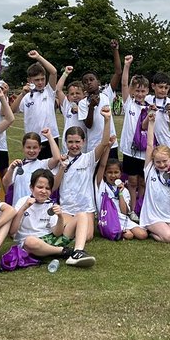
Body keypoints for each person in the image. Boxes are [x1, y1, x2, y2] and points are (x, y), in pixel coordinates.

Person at [51, 108, 115, 266]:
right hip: (66, 208)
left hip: (85, 208)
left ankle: (71, 247)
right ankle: (69, 250)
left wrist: (107, 120)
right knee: (63, 230)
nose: (74, 145)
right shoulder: (61, 161)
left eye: (77, 142)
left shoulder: (88, 159)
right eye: (70, 142)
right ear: (66, 143)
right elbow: (54, 187)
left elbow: (104, 143)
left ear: (83, 142)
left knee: (87, 236)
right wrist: (61, 168)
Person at [140, 109, 170, 242]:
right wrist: (151, 123)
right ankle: (150, 231)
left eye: (164, 161)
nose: (161, 164)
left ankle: (163, 229)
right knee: (169, 237)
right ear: (153, 162)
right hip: (152, 216)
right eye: (157, 162)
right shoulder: (150, 170)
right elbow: (149, 146)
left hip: (169, 215)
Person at [117, 57, 151, 214]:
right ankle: (131, 208)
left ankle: (141, 206)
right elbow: (124, 83)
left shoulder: (149, 108)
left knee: (143, 181)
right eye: (137, 90)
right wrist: (126, 65)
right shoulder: (128, 103)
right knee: (132, 180)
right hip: (130, 150)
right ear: (132, 91)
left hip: (144, 151)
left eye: (143, 91)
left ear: (147, 91)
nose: (140, 94)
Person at [4, 129, 61, 208]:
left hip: (36, 208)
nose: (31, 150)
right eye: (28, 147)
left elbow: (57, 158)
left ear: (40, 148)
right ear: (23, 148)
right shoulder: (16, 166)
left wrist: (49, 137)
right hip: (18, 206)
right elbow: (6, 184)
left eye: (35, 147)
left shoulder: (42, 164)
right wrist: (11, 169)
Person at [11, 50, 60, 140]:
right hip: (32, 139)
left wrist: (38, 57)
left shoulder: (49, 91)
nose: (40, 82)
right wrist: (22, 94)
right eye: (37, 80)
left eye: (43, 79)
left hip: (51, 137)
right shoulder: (26, 96)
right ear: (29, 80)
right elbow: (12, 110)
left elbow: (54, 72)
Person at [97, 159, 149, 240]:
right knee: (129, 235)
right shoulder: (101, 187)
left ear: (121, 174)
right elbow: (101, 166)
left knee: (143, 235)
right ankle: (119, 232)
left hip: (122, 219)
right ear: (104, 174)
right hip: (109, 219)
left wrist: (120, 193)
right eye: (110, 172)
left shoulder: (124, 191)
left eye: (116, 172)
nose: (113, 175)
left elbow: (124, 212)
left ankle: (122, 231)